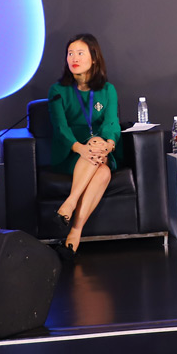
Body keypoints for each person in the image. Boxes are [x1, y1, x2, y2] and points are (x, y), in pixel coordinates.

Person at [48, 33, 121, 261]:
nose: (74, 58)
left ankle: (69, 209)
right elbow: (60, 128)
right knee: (103, 171)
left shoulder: (107, 90)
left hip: (100, 150)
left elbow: (111, 122)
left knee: (97, 145)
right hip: (71, 153)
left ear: (94, 58)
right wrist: (80, 148)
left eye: (80, 53)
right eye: (70, 53)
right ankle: (75, 233)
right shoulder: (58, 90)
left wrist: (108, 144)